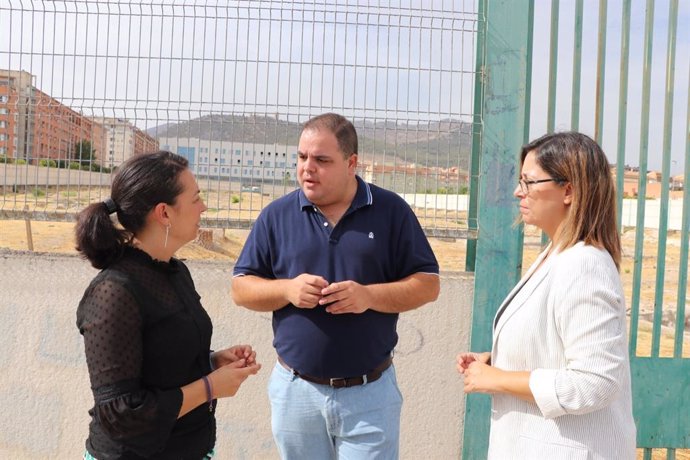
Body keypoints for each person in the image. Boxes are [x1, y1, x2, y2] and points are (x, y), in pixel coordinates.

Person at [231, 112, 440, 459]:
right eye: (301, 157)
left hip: (369, 396)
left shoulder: (391, 211)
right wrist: (286, 290)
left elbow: (428, 284)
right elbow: (241, 288)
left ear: (351, 163)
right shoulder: (277, 215)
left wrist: (368, 296)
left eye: (321, 160)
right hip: (295, 393)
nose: (307, 168)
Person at [457, 132, 636, 459]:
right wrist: (497, 359)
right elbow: (556, 344)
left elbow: (595, 383)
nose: (517, 192)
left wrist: (497, 379)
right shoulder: (557, 255)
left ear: (568, 190)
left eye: (528, 182)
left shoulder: (584, 266)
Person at [75, 151, 261, 459]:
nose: (203, 207)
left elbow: (160, 363)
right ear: (164, 213)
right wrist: (210, 387)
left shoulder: (174, 271)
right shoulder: (113, 292)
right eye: (196, 198)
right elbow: (120, 414)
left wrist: (213, 362)